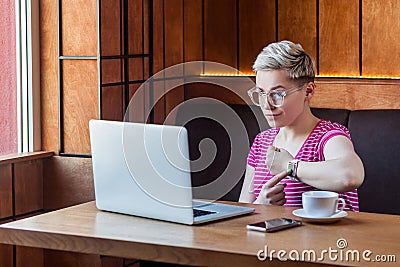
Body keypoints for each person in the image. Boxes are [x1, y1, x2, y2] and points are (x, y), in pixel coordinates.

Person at [239, 40, 364, 211]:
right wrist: (261, 204)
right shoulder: (261, 142)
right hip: (272, 238)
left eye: (277, 94)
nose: (267, 104)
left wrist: (290, 166)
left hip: (328, 239)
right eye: (261, 93)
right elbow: (240, 214)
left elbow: (350, 175)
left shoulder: (329, 136)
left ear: (308, 91)